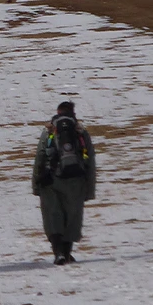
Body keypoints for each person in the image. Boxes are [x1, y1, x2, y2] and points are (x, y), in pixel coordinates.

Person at [32, 101, 96, 265]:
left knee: (53, 216)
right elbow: (90, 161)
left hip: (51, 181)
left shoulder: (49, 132)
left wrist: (36, 185)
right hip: (76, 181)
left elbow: (40, 157)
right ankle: (66, 253)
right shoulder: (81, 133)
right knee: (72, 217)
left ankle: (58, 252)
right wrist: (89, 190)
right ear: (73, 113)